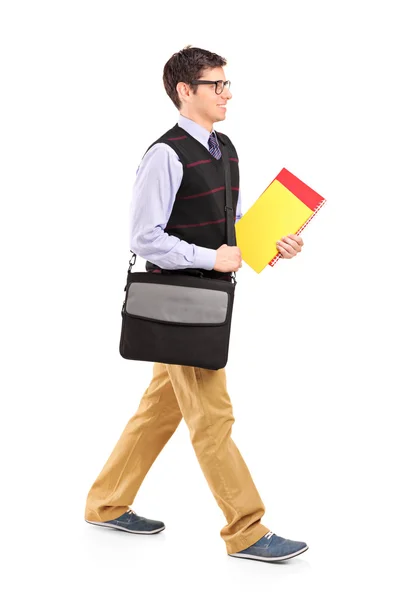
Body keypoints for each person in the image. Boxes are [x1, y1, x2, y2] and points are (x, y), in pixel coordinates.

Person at [85, 46, 307, 563]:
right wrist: (213, 257)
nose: (227, 93)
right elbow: (145, 237)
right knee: (212, 417)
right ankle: (246, 530)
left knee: (160, 408)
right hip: (181, 304)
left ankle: (105, 502)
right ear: (186, 91)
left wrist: (273, 244)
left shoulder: (225, 147)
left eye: (227, 84)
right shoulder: (164, 154)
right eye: (217, 85)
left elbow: (227, 231)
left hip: (210, 298)